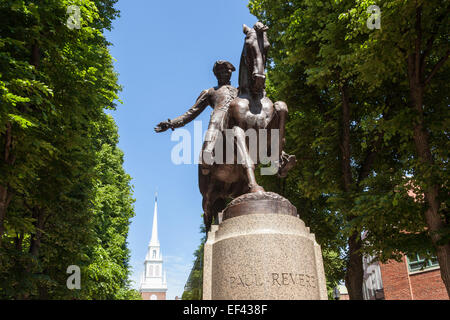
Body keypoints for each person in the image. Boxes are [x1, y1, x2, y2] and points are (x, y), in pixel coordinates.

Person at [155, 60, 238, 172]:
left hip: (237, 120)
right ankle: (207, 154)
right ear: (216, 74)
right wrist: (171, 123)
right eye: (220, 71)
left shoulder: (239, 91)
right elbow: (191, 113)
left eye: (226, 71)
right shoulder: (209, 92)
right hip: (218, 120)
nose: (224, 74)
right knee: (217, 116)